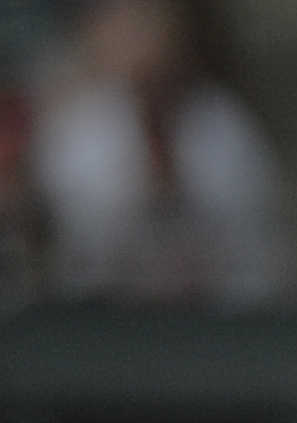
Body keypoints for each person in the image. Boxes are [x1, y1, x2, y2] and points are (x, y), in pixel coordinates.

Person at [30, 0, 279, 306]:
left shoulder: (222, 123)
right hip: (102, 316)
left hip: (215, 315)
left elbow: (251, 240)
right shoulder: (83, 127)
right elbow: (79, 243)